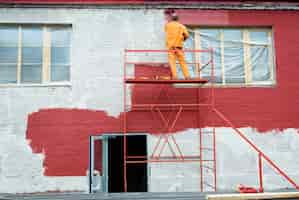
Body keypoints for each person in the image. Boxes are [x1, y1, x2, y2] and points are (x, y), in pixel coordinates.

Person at [165, 12, 191, 79]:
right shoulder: (181, 26)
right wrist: (183, 38)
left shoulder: (168, 25)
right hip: (179, 47)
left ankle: (175, 76)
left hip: (171, 48)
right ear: (177, 19)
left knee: (172, 63)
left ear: (171, 19)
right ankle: (187, 76)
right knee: (182, 62)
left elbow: (166, 31)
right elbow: (187, 35)